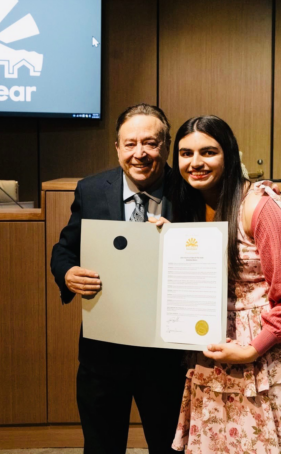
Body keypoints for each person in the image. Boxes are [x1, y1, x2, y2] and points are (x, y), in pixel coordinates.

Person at [166, 116, 281, 453]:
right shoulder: (189, 205)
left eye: (208, 152)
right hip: (213, 351)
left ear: (230, 154)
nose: (195, 163)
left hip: (264, 356)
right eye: (185, 153)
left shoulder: (259, 206)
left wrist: (252, 348)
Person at [50, 103, 187, 454]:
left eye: (150, 143)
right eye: (130, 144)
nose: (139, 153)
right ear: (117, 147)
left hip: (167, 355)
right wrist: (68, 274)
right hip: (103, 353)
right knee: (102, 447)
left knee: (170, 448)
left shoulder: (190, 189)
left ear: (167, 146)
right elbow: (64, 250)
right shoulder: (92, 190)